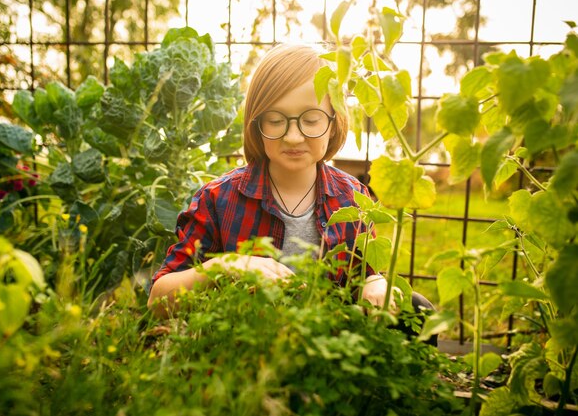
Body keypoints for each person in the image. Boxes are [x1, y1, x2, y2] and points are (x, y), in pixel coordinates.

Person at [147, 44, 434, 342]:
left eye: (311, 120)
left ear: (333, 122)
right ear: (256, 124)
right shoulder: (219, 199)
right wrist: (226, 265)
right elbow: (157, 301)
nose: (293, 136)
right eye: (275, 120)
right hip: (245, 353)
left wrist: (375, 283)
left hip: (329, 350)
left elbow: (364, 276)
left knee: (416, 308)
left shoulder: (352, 197)